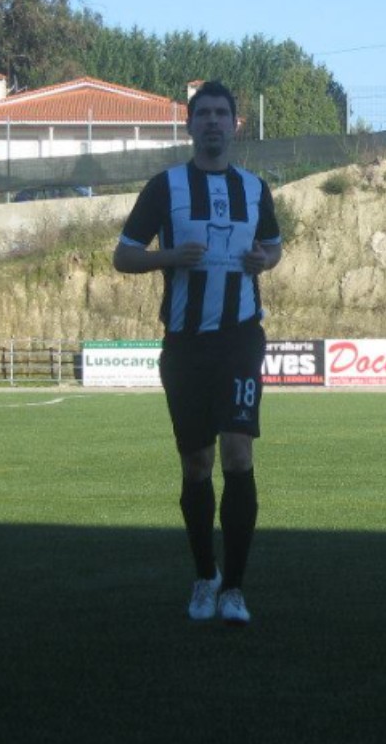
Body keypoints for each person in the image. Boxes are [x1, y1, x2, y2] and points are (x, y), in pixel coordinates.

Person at [113, 81, 282, 624]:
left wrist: (264, 260)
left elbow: (273, 246)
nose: (212, 121)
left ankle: (234, 589)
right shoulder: (165, 187)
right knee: (196, 463)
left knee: (238, 453)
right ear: (189, 125)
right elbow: (123, 255)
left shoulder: (255, 188)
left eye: (221, 113)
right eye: (203, 113)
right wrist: (168, 258)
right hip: (185, 345)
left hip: (240, 339)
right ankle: (205, 576)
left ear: (235, 124)